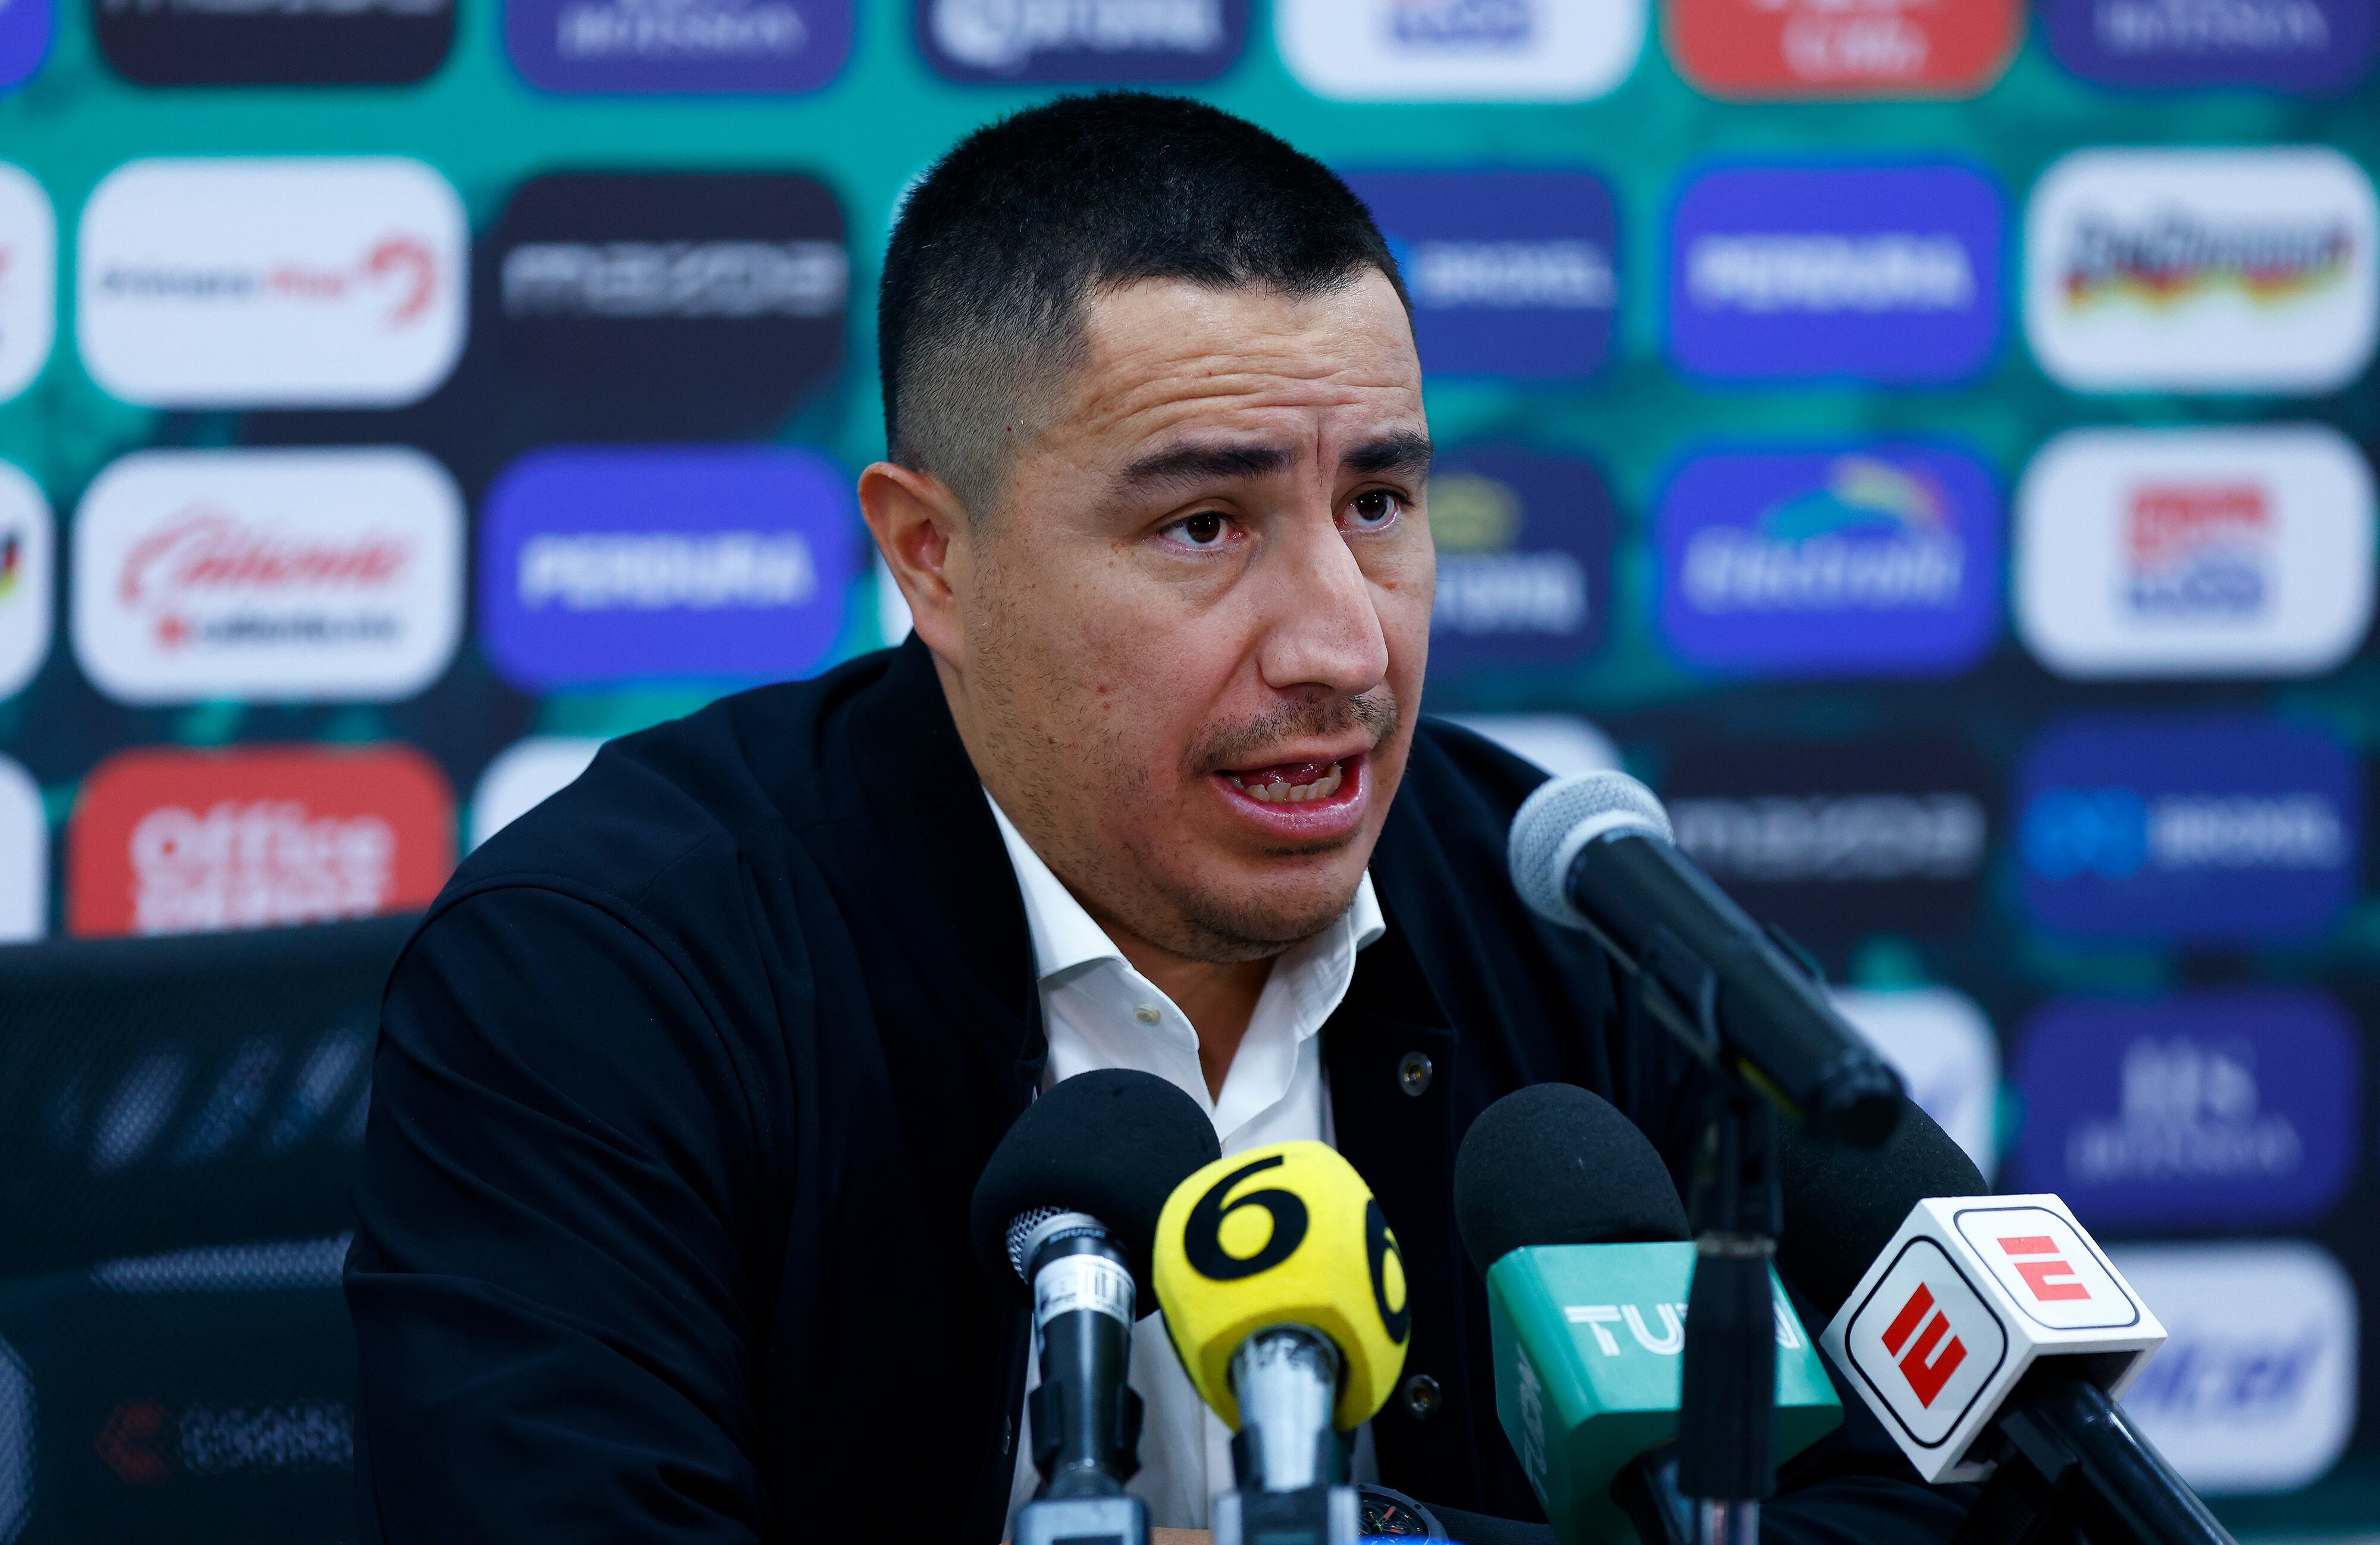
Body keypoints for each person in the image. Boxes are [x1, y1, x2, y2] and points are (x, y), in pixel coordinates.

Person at [346, 93, 1971, 1544]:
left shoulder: (1574, 916)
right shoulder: (603, 973)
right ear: (934, 559)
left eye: (1383, 505)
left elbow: (2000, 1486)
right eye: (1206, 524)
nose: (1344, 644)